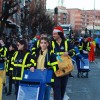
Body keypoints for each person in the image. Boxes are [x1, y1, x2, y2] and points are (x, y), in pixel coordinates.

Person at [51, 26, 73, 100]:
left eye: (55, 34)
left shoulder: (67, 42)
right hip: (55, 70)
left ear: (59, 34)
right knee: (56, 87)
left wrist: (69, 52)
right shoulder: (51, 43)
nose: (53, 35)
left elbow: (74, 51)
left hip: (65, 69)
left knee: (62, 88)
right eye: (53, 34)